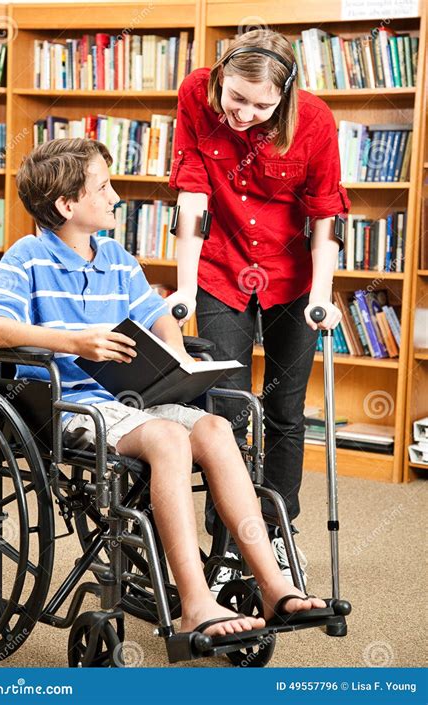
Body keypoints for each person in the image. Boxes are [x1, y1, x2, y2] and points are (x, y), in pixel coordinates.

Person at [0, 137, 327, 638]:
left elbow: (157, 315)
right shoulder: (28, 257)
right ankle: (196, 604)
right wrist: (73, 341)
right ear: (67, 205)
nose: (116, 196)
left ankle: (273, 586)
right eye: (104, 187)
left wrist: (176, 353)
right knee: (169, 438)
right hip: (67, 406)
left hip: (127, 402)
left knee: (215, 427)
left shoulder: (117, 258)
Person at [167, 29, 351, 586]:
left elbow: (325, 213)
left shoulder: (315, 120)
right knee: (226, 412)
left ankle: (276, 529)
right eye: (236, 98)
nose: (244, 114)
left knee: (286, 411)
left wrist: (321, 295)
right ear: (221, 77)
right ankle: (227, 548)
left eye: (261, 105)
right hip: (221, 267)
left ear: (286, 95)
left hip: (292, 275)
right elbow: (193, 193)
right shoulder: (196, 95)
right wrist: (182, 287)